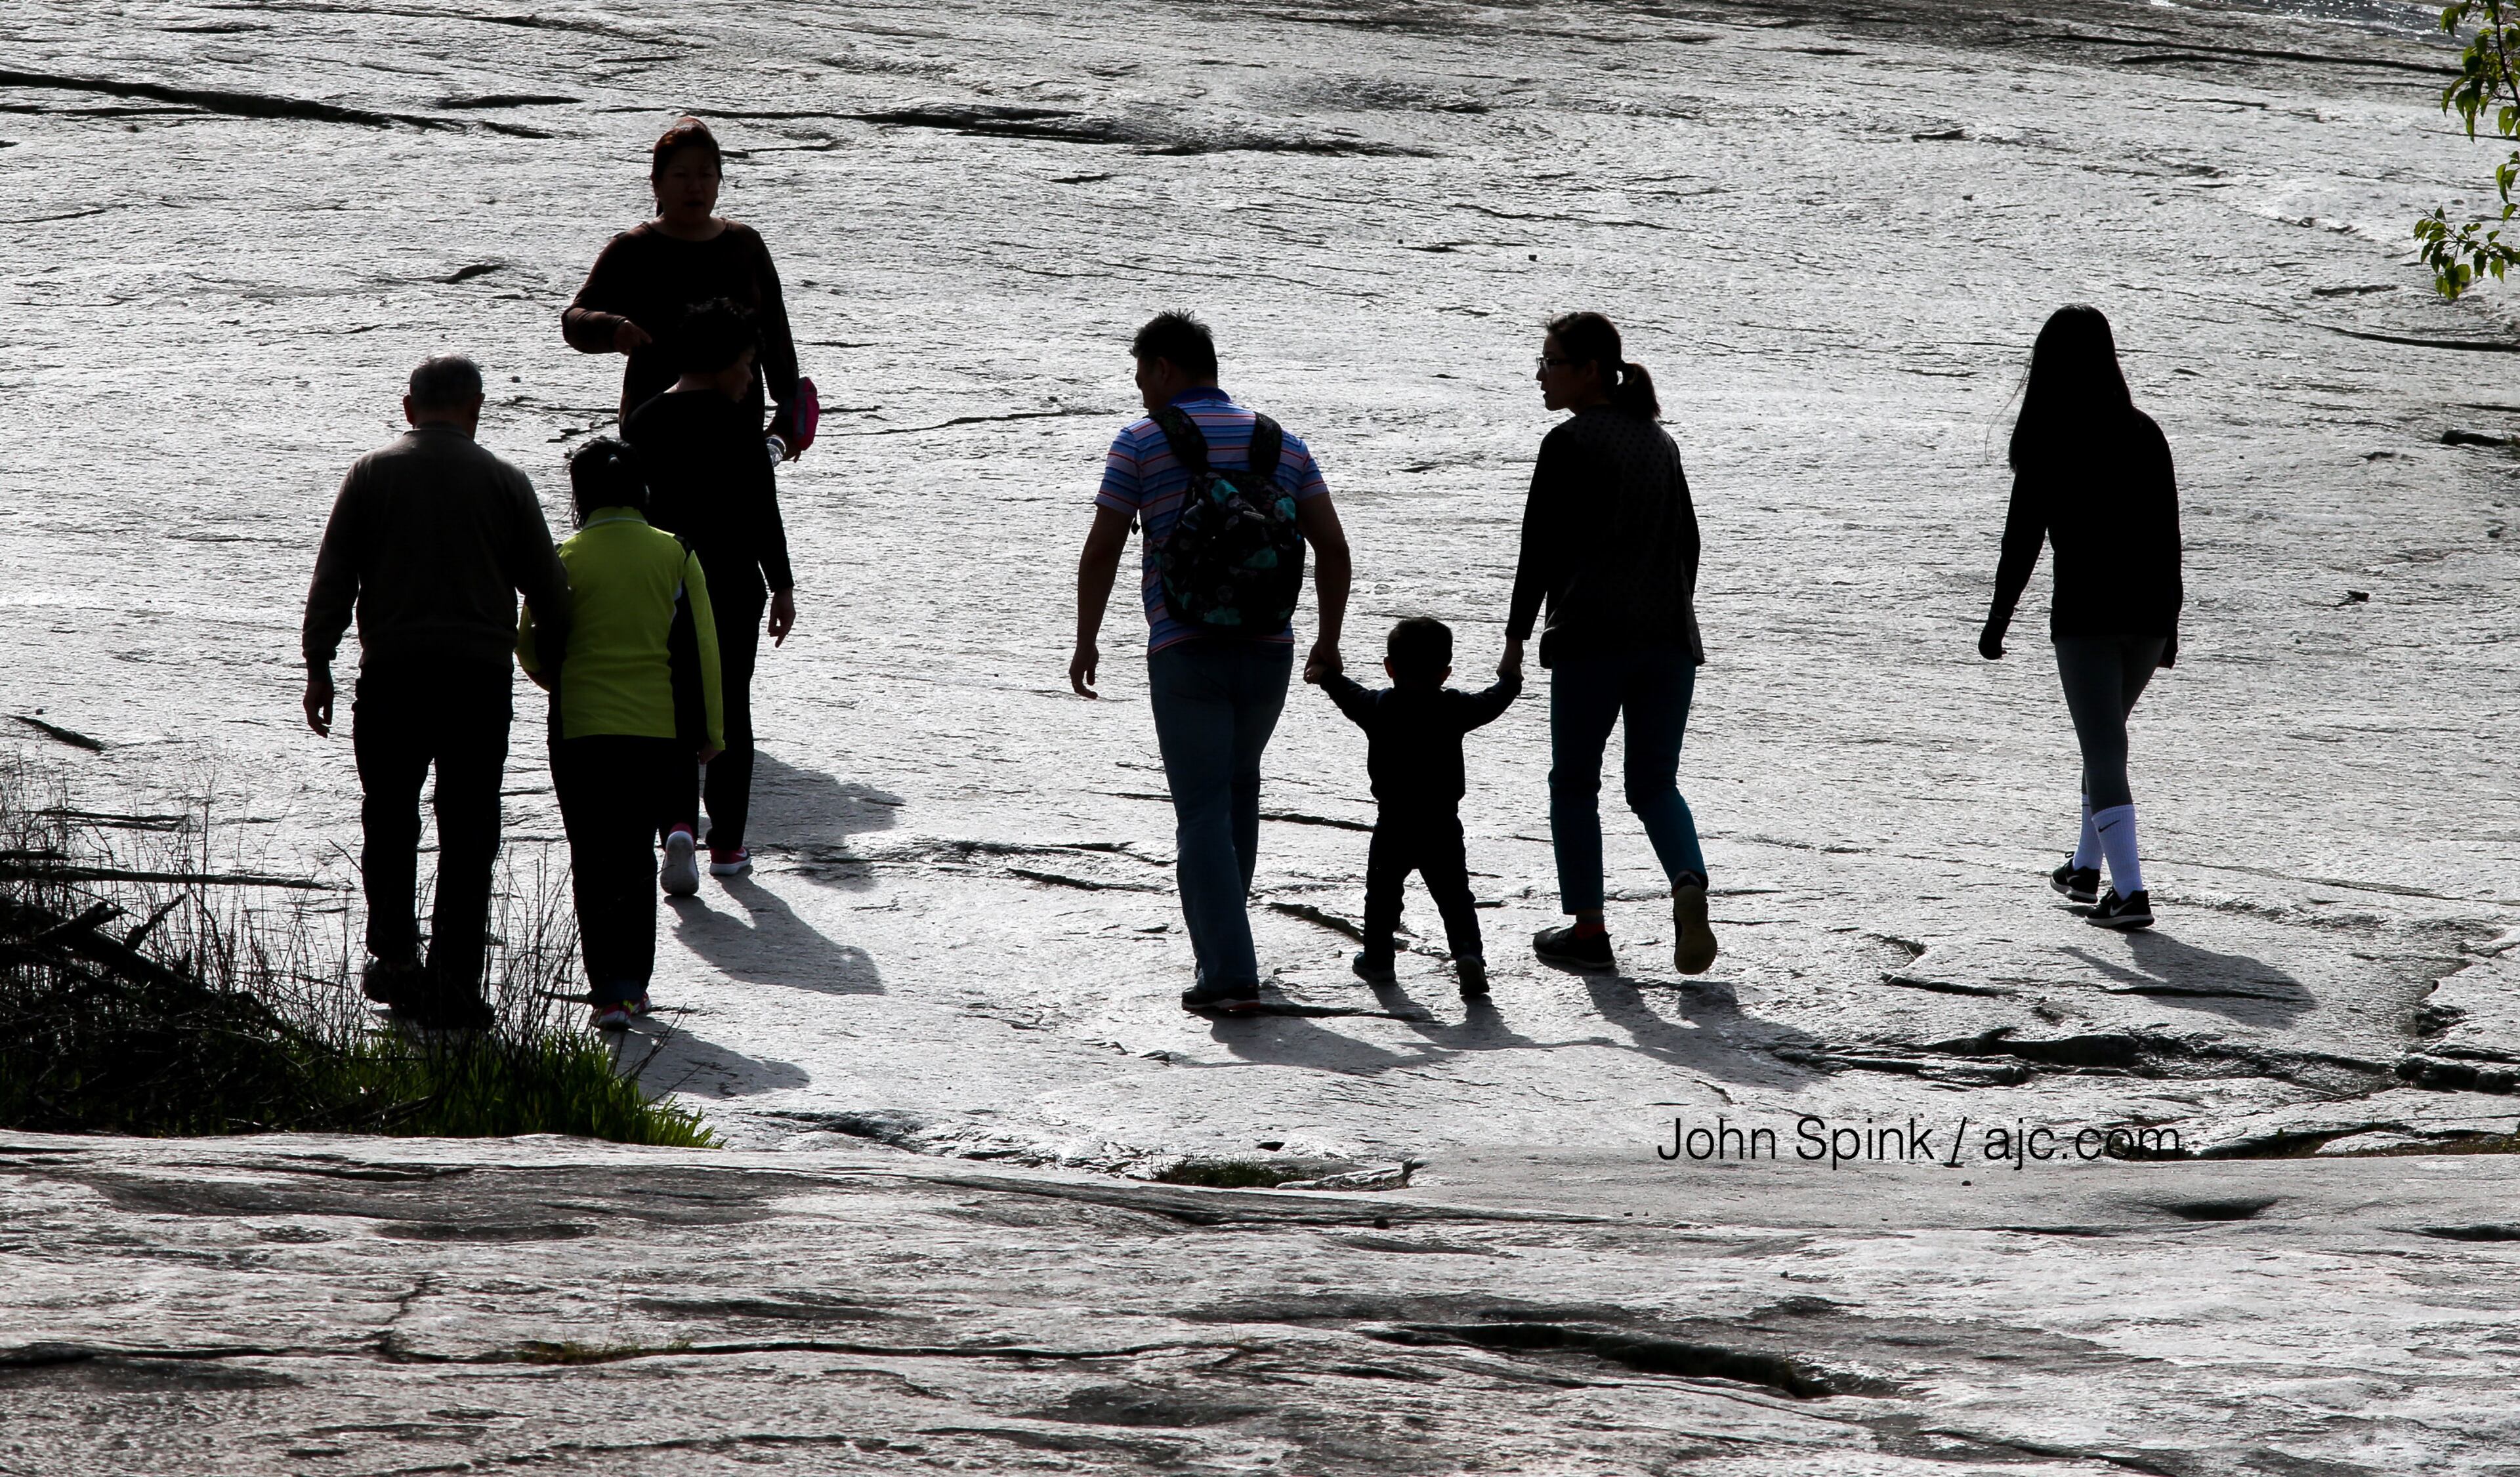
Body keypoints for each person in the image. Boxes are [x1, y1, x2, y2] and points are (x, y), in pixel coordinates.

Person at [1071, 311, 1353, 1015]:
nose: (1141, 395)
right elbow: (1334, 550)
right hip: (1270, 648)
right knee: (1237, 791)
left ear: (1166, 367)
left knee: (1199, 809)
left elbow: (1103, 547)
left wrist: (1086, 637)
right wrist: (1329, 638)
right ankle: (1231, 941)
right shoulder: (1282, 443)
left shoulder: (1140, 442)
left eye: (1143, 378)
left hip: (1184, 645)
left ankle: (1228, 971)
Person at [300, 354, 568, 1028]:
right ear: (477, 406)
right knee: (470, 829)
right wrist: (557, 668)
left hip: (391, 675)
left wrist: (319, 663)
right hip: (477, 680)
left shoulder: (370, 474)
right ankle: (454, 981)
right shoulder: (505, 481)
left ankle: (393, 959)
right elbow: (550, 593)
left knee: (389, 816)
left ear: (408, 405)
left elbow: (335, 577)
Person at [1503, 311, 1717, 978]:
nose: (1540, 374)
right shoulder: (1660, 444)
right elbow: (1691, 545)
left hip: (1592, 639)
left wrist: (1513, 640)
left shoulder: (1568, 443)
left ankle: (1590, 930)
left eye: (1550, 361)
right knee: (1655, 784)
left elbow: (1536, 551)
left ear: (1589, 369)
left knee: (1574, 783)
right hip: (1670, 642)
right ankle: (1687, 883)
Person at [1979, 304, 2183, 930]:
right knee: (2105, 746)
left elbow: (2021, 544)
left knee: (2102, 747)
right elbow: (2169, 535)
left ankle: (2131, 893)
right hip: (2147, 615)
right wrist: (2171, 624)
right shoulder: (2145, 432)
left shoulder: (2048, 440)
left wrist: (1997, 624)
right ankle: (2084, 868)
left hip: (2088, 618)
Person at [518, 440, 724, 1028]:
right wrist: (709, 730)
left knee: (593, 856)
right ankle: (634, 986)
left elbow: (529, 642)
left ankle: (605, 989)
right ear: (643, 491)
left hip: (580, 728)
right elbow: (705, 648)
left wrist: (554, 679)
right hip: (655, 730)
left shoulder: (564, 555)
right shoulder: (675, 554)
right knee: (636, 856)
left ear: (579, 496)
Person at [623, 298, 796, 886]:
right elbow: (761, 513)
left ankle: (676, 825)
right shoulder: (737, 427)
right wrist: (784, 585)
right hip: (728, 584)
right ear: (725, 362)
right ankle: (727, 845)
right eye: (747, 364)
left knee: (671, 705)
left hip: (661, 585)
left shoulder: (643, 421)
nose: (751, 378)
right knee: (730, 709)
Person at [562, 116, 805, 447]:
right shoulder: (634, 248)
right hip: (655, 425)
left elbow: (775, 334)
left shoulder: (745, 244)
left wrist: (789, 412)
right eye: (681, 175)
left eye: (706, 175)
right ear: (657, 184)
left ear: (719, 181)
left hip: (736, 424)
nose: (695, 186)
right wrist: (612, 328)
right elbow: (575, 319)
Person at [1314, 617, 1519, 997]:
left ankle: (1378, 960)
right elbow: (1494, 701)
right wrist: (1511, 677)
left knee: (1382, 894)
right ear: (1445, 673)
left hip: (1393, 822)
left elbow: (1346, 692)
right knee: (1456, 897)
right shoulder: (1454, 708)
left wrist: (1326, 673)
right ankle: (1468, 955)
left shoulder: (1378, 706)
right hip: (1443, 823)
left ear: (1389, 667)